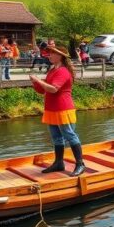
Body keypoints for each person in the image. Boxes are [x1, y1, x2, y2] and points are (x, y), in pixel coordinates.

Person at [30, 45, 86, 177]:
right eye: (49, 53)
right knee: (56, 137)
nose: (49, 55)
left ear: (60, 56)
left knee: (69, 135)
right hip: (52, 108)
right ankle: (59, 163)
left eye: (52, 53)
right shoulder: (52, 70)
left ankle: (80, 164)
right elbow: (43, 90)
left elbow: (54, 89)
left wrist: (39, 80)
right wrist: (35, 83)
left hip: (62, 108)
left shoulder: (63, 71)